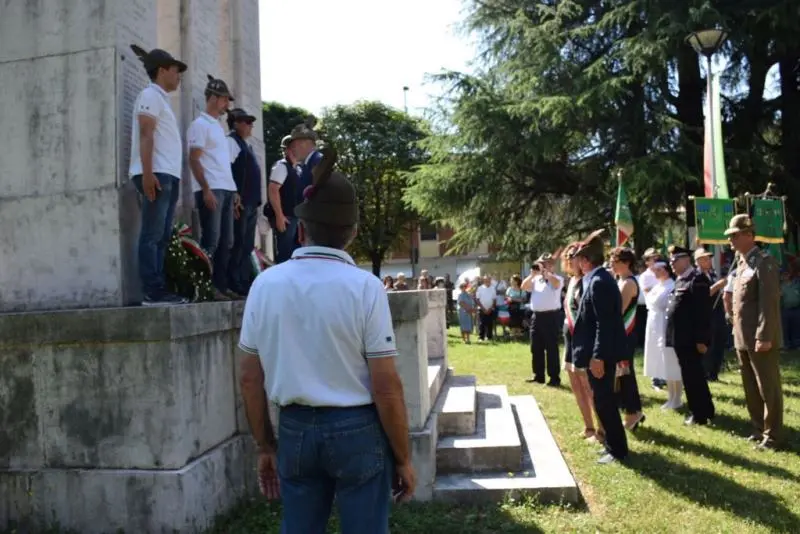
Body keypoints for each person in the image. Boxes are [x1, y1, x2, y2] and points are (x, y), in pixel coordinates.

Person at [238, 146, 416, 533]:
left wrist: (265, 446)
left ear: (301, 228)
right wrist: (402, 456)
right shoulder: (366, 288)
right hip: (357, 428)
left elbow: (250, 378)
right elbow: (386, 386)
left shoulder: (264, 285)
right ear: (352, 232)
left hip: (295, 427)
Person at [128, 45, 189, 306]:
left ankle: (160, 288)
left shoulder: (161, 99)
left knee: (162, 236)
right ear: (162, 70)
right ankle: (152, 292)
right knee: (152, 235)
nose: (179, 76)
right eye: (176, 70)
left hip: (167, 175)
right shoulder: (150, 95)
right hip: (156, 174)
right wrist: (148, 173)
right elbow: (146, 133)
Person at [725, 214, 784, 449]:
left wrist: (764, 335)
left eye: (735, 236)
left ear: (749, 235)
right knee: (750, 386)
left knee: (768, 387)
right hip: (743, 337)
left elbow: (768, 303)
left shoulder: (764, 261)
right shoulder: (742, 263)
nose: (731, 241)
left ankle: (774, 435)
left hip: (760, 337)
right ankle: (759, 428)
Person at [571, 230, 628, 464]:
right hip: (600, 352)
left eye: (579, 259)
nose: (577, 263)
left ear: (586, 261)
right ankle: (613, 446)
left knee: (605, 401)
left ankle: (618, 449)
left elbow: (604, 324)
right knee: (602, 401)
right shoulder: (596, 279)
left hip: (602, 354)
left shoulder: (599, 282)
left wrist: (597, 356)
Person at [188, 75, 238, 300]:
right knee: (212, 239)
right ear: (214, 98)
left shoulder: (217, 127)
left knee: (227, 241)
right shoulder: (199, 125)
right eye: (225, 99)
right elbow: (194, 159)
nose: (227, 104)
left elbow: (222, 163)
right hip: (211, 189)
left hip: (225, 189)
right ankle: (205, 287)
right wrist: (206, 189)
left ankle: (220, 285)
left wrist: (233, 190)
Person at [665, 245, 715, 426]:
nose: (671, 264)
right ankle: (704, 409)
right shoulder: (680, 280)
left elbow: (702, 313)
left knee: (694, 376)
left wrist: (702, 339)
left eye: (675, 260)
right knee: (690, 375)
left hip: (692, 339)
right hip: (680, 338)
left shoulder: (697, 280)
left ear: (686, 259)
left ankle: (699, 413)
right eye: (670, 261)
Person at [561, 242, 599, 440]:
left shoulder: (587, 281)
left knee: (588, 386)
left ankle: (601, 429)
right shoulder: (572, 281)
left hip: (583, 340)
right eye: (568, 256)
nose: (570, 260)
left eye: (574, 255)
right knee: (576, 385)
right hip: (570, 339)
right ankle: (588, 426)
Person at [608, 248, 645, 430]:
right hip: (619, 334)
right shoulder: (619, 280)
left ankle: (632, 413)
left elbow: (618, 311)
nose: (611, 264)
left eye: (615, 261)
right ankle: (634, 410)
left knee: (625, 375)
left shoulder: (628, 283)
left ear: (626, 262)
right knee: (621, 375)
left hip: (625, 334)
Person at [226, 108, 262, 295]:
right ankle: (234, 280)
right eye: (246, 122)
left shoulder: (245, 144)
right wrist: (234, 195)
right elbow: (227, 169)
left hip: (251, 203)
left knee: (247, 244)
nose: (251, 126)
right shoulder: (232, 142)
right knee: (238, 242)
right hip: (241, 202)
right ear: (236, 123)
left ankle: (243, 280)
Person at [643, 261, 683, 409]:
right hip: (654, 326)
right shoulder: (658, 286)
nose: (655, 272)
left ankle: (676, 398)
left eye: (658, 270)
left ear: (666, 271)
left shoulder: (671, 286)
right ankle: (670, 396)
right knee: (662, 362)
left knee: (671, 362)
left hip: (665, 325)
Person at [522, 254, 564, 386]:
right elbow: (524, 286)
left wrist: (546, 273)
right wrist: (532, 275)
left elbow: (556, 284)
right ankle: (538, 375)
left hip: (551, 316)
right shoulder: (536, 280)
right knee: (536, 347)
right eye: (540, 263)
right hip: (537, 316)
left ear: (551, 265)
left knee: (551, 348)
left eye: (545, 263)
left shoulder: (557, 278)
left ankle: (554, 378)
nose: (542, 266)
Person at [265, 135, 301, 264]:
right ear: (286, 150)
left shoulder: (297, 169)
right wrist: (279, 216)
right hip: (285, 218)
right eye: (294, 147)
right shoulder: (281, 166)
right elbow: (273, 189)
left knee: (294, 253)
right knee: (285, 254)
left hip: (295, 217)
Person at [694, 247, 729, 381]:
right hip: (706, 315)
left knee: (719, 343)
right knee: (709, 344)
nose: (708, 261)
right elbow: (703, 294)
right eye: (705, 259)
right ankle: (706, 372)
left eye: (709, 258)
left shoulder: (712, 274)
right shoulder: (696, 277)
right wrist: (717, 286)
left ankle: (714, 372)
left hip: (718, 314)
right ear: (698, 261)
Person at [475, 275, 496, 341]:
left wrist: (490, 308)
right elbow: (477, 300)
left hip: (490, 309)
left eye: (488, 280)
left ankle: (489, 337)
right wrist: (483, 309)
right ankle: (481, 337)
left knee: (490, 323)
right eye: (486, 280)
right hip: (482, 309)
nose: (487, 281)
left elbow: (494, 300)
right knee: (482, 323)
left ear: (490, 280)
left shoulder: (493, 288)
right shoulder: (480, 288)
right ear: (483, 280)